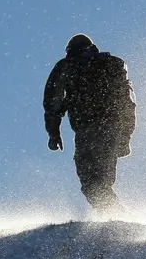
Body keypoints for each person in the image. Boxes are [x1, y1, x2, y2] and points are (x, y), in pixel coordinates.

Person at [44, 34, 137, 215]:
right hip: (113, 129)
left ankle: (116, 217)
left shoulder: (67, 66)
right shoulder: (113, 64)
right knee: (102, 181)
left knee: (91, 182)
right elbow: (128, 102)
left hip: (89, 130)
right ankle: (116, 218)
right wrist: (126, 136)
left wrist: (53, 133)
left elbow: (52, 103)